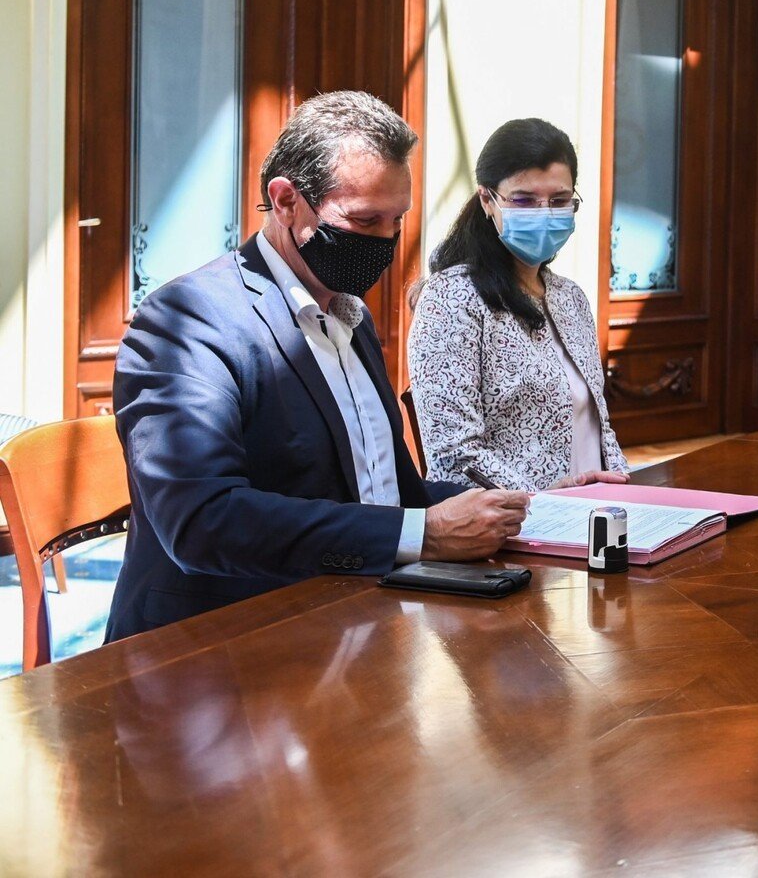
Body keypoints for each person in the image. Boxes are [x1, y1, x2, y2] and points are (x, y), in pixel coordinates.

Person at [107, 91, 532, 641]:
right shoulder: (187, 321)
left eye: (396, 221)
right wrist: (423, 533)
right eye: (364, 219)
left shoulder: (350, 315)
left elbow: (387, 495)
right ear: (286, 201)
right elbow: (204, 522)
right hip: (224, 646)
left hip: (354, 624)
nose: (384, 241)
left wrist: (520, 508)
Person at [408, 118, 630, 491]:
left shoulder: (571, 297)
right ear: (487, 200)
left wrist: (626, 490)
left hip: (594, 511)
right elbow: (454, 454)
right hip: (514, 517)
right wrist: (540, 501)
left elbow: (599, 425)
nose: (545, 213)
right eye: (524, 200)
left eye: (559, 201)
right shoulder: (452, 298)